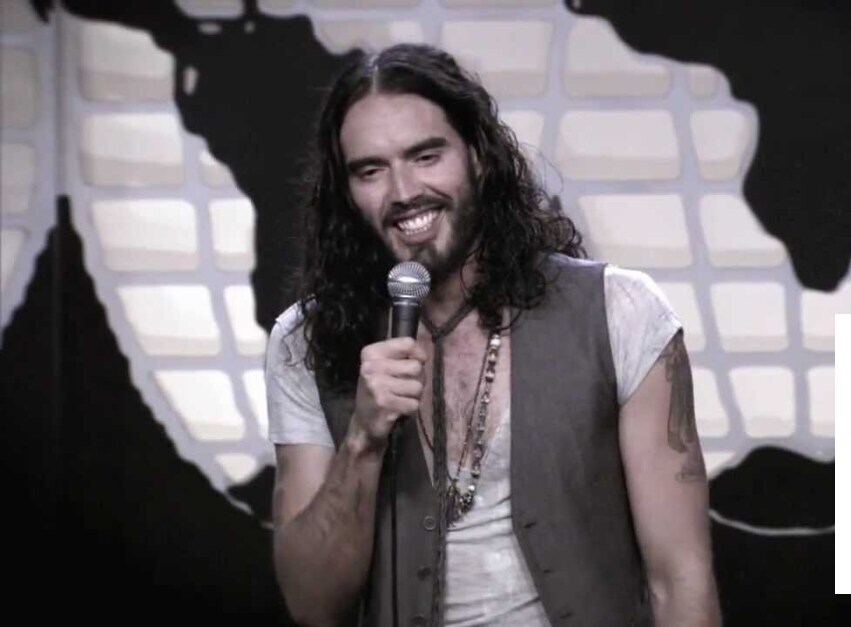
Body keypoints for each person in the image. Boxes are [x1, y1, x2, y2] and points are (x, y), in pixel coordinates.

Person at [265, 43, 721, 627]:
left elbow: (680, 582)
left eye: (426, 156)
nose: (403, 191)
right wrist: (363, 439)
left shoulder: (622, 310)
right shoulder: (304, 341)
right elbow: (311, 604)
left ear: (478, 156)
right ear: (345, 192)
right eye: (370, 170)